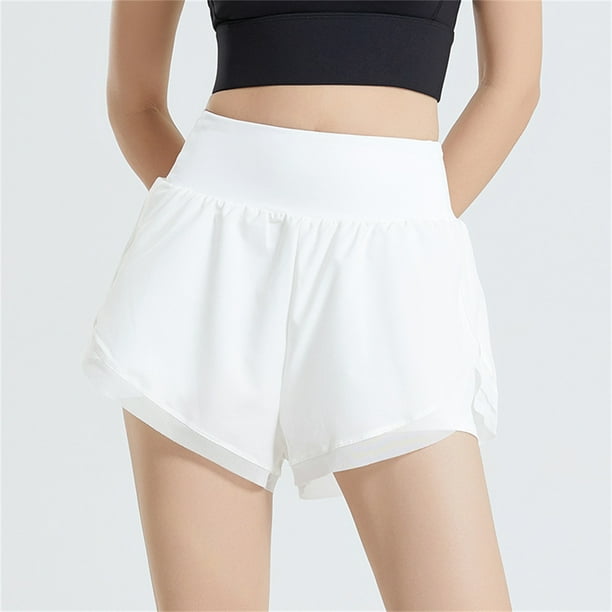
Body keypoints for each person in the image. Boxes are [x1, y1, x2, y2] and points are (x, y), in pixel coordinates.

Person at [82, 0, 541, 609]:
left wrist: (398, 232)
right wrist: (228, 221)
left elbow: (514, 84)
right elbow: (134, 101)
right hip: (209, 268)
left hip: (395, 267)